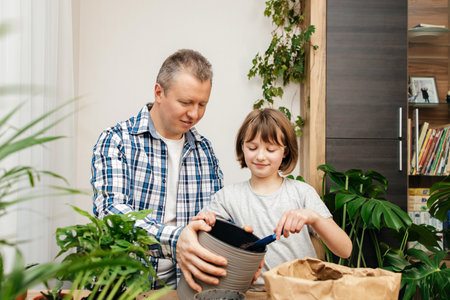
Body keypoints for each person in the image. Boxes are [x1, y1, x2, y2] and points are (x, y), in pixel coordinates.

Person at [90, 49, 228, 292]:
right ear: (159, 93)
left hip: (184, 290)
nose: (194, 114)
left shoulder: (204, 151)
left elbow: (215, 217)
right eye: (185, 102)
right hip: (122, 288)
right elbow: (111, 215)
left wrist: (236, 244)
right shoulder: (117, 141)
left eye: (202, 104)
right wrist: (176, 241)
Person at [193, 108, 353, 290]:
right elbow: (202, 240)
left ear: (285, 151)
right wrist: (204, 225)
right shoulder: (226, 198)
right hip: (252, 293)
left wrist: (313, 218)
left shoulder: (302, 193)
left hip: (301, 291)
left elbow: (345, 250)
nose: (260, 156)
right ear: (242, 147)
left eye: (270, 149)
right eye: (252, 147)